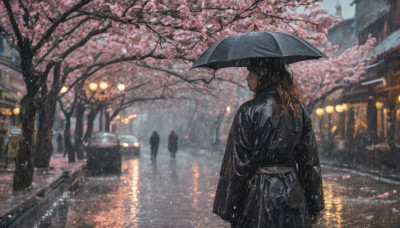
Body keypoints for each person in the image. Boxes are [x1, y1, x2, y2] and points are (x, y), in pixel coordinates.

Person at [213, 58, 324, 227]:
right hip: (293, 194)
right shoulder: (299, 111)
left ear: (264, 76)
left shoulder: (248, 111)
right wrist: (314, 202)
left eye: (251, 72)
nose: (246, 77)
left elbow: (238, 164)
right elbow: (309, 162)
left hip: (257, 196)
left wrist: (230, 207)